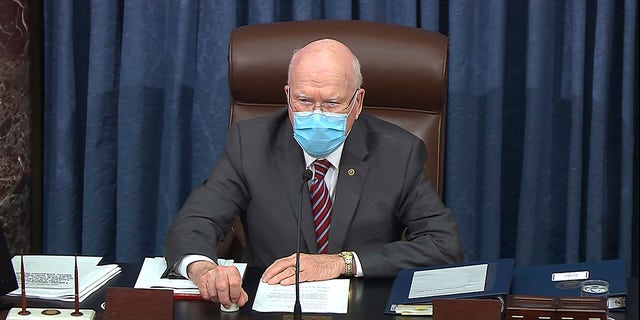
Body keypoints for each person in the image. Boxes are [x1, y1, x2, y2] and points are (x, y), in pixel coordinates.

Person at [164, 38, 464, 309]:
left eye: (332, 103)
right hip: (269, 302)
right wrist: (204, 269)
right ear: (287, 95)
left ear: (357, 102)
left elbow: (443, 245)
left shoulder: (398, 152)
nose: (316, 114)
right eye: (304, 101)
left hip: (361, 305)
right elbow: (197, 220)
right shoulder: (250, 143)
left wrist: (342, 263)